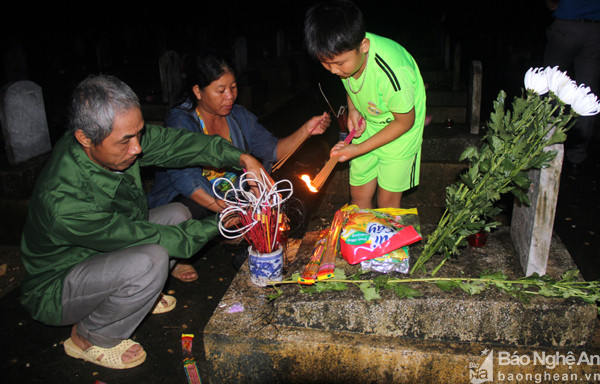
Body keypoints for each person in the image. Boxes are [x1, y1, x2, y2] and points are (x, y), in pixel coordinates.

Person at [19, 74, 271, 369]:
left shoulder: (112, 136)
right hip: (58, 285)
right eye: (126, 140)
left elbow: (178, 144)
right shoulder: (65, 203)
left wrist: (242, 159)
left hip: (101, 251)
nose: (137, 148)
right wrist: (224, 220)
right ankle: (88, 337)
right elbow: (146, 237)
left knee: (177, 214)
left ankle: (135, 296)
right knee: (151, 259)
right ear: (84, 138)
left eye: (138, 133)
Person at [146, 50, 331, 274]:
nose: (230, 97)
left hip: (233, 195)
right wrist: (232, 214)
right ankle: (175, 253)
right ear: (198, 91)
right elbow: (186, 180)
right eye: (220, 90)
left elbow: (273, 149)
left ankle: (242, 241)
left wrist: (306, 130)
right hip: (194, 197)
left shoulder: (238, 116)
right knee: (188, 209)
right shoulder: (181, 121)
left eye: (233, 87)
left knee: (283, 195)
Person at [303, 0, 426, 209]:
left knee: (387, 203)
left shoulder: (393, 71)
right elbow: (351, 81)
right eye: (326, 63)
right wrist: (353, 109)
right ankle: (363, 241)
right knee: (358, 196)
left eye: (339, 64)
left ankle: (385, 241)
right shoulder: (347, 58)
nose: (333, 71)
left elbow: (405, 122)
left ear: (364, 46)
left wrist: (358, 149)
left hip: (400, 132)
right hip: (369, 123)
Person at [543, 0, 600, 173]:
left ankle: (543, 145)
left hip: (566, 25)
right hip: (594, 29)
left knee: (549, 86)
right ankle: (576, 158)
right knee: (587, 93)